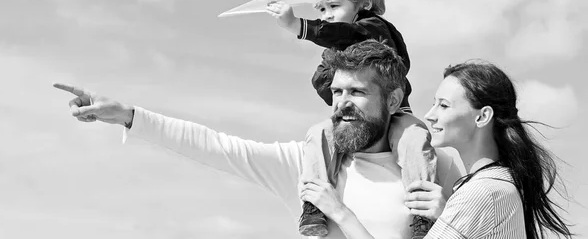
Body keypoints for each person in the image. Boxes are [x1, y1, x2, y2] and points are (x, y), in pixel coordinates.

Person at [54, 40, 463, 239]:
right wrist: (129, 117)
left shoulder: (434, 171)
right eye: (337, 93)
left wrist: (446, 218)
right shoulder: (307, 166)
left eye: (356, 93)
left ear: (393, 100)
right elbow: (216, 147)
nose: (341, 104)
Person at [302, 60, 574, 239]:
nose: (429, 116)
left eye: (443, 105)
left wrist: (340, 213)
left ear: (482, 117)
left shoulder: (484, 193)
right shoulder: (489, 187)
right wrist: (447, 214)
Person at [266, 0, 436, 237]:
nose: (327, 15)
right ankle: (314, 206)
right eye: (321, 10)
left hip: (393, 114)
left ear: (364, 3)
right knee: (319, 132)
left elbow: (343, 33)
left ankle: (422, 215)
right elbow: (321, 80)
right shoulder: (337, 50)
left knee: (414, 138)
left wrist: (299, 26)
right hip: (358, 119)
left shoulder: (373, 28)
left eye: (334, 5)